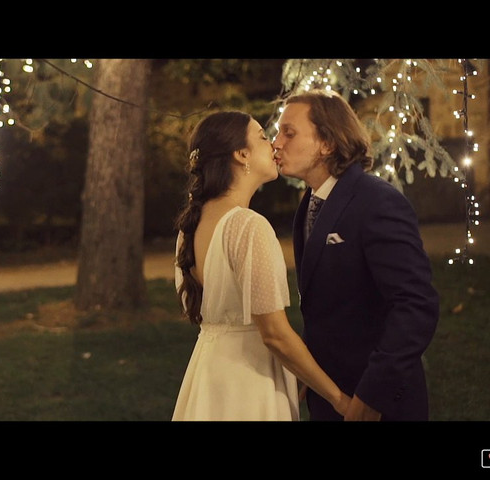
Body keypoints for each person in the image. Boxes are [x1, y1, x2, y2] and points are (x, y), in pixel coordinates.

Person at [272, 88, 440, 421]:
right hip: (329, 395)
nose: (276, 142)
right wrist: (310, 371)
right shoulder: (309, 204)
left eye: (288, 132)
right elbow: (326, 302)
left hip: (377, 403)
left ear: (327, 143)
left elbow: (416, 306)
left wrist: (370, 396)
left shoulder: (376, 201)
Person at [172, 110, 350, 421]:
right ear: (242, 155)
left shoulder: (190, 227)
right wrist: (339, 400)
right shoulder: (248, 226)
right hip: (248, 384)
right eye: (263, 138)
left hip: (209, 377)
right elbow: (275, 335)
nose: (274, 146)